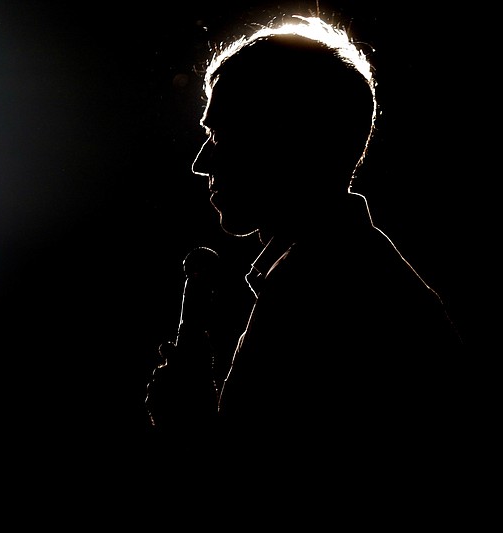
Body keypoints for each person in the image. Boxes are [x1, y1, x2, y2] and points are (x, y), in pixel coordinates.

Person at [145, 15, 466, 443]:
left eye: (222, 135)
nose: (200, 163)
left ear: (286, 139)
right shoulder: (349, 271)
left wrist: (189, 423)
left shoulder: (322, 292)